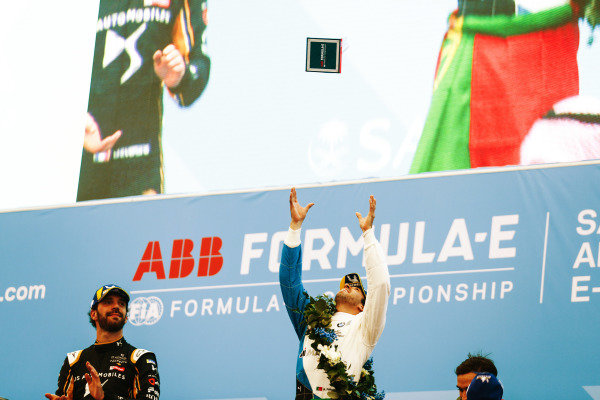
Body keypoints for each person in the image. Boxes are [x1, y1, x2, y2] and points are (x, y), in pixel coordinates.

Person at [77, 0, 211, 201]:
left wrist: (179, 75)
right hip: (67, 166)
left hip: (140, 168)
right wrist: (72, 118)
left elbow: (197, 67)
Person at [279, 188, 391, 399]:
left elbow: (381, 284)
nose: (347, 286)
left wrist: (368, 234)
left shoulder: (365, 327)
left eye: (356, 288)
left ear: (363, 306)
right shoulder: (311, 319)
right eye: (345, 285)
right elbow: (289, 282)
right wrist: (295, 228)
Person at [44, 285, 160, 400]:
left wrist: (104, 397)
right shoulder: (74, 360)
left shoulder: (141, 357)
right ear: (93, 314)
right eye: (108, 302)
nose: (116, 306)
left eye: (121, 304)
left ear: (126, 317)